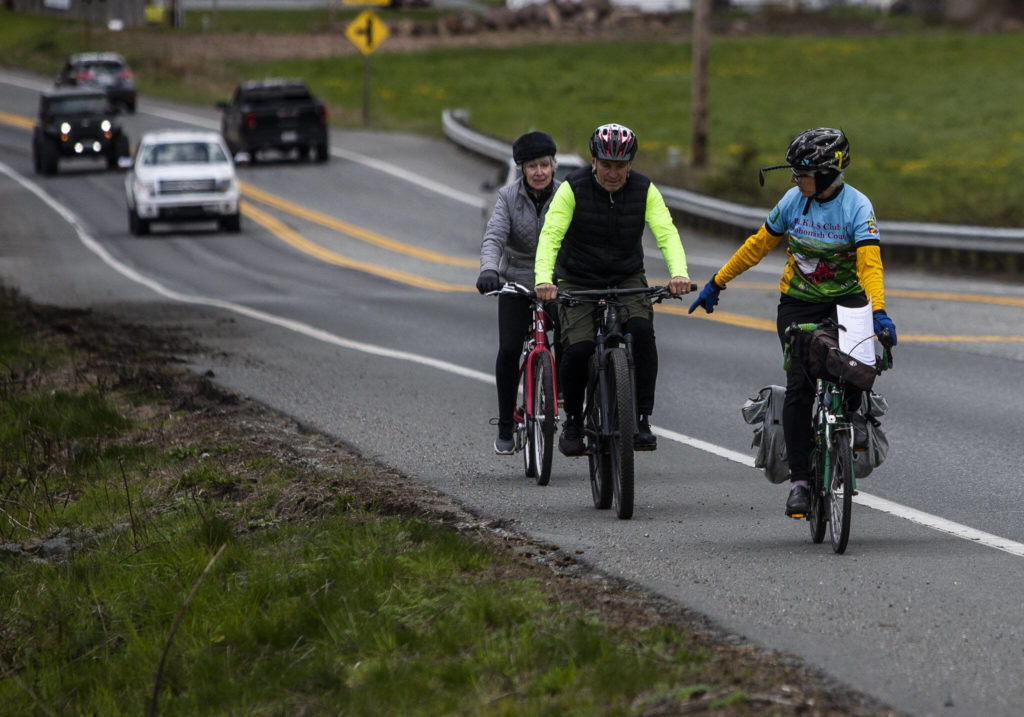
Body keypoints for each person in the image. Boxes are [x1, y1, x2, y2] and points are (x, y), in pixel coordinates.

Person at [688, 127, 898, 517]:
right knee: (799, 387)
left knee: (853, 373)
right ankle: (800, 482)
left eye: (800, 173)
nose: (793, 179)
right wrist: (718, 282)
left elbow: (870, 264)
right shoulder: (792, 201)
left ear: (825, 174)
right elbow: (757, 246)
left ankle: (850, 418)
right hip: (797, 304)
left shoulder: (857, 207)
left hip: (846, 301)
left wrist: (878, 310)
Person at [534, 123, 692, 456]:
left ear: (630, 165)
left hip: (626, 276)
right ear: (593, 161)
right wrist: (544, 280)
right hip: (578, 278)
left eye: (620, 166)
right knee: (577, 348)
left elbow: (666, 233)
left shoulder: (644, 189)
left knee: (642, 331)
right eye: (606, 164)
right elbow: (550, 236)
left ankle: (642, 419)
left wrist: (679, 274)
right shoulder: (572, 188)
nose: (613, 173)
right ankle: (574, 419)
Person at [477, 130, 563, 455]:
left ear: (553, 166)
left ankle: (562, 393)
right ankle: (505, 425)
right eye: (532, 166)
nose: (539, 172)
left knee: (572, 332)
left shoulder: (565, 196)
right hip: (516, 281)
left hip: (555, 282)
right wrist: (489, 270)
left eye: (544, 165)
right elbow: (494, 236)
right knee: (511, 347)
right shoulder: (508, 197)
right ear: (522, 169)